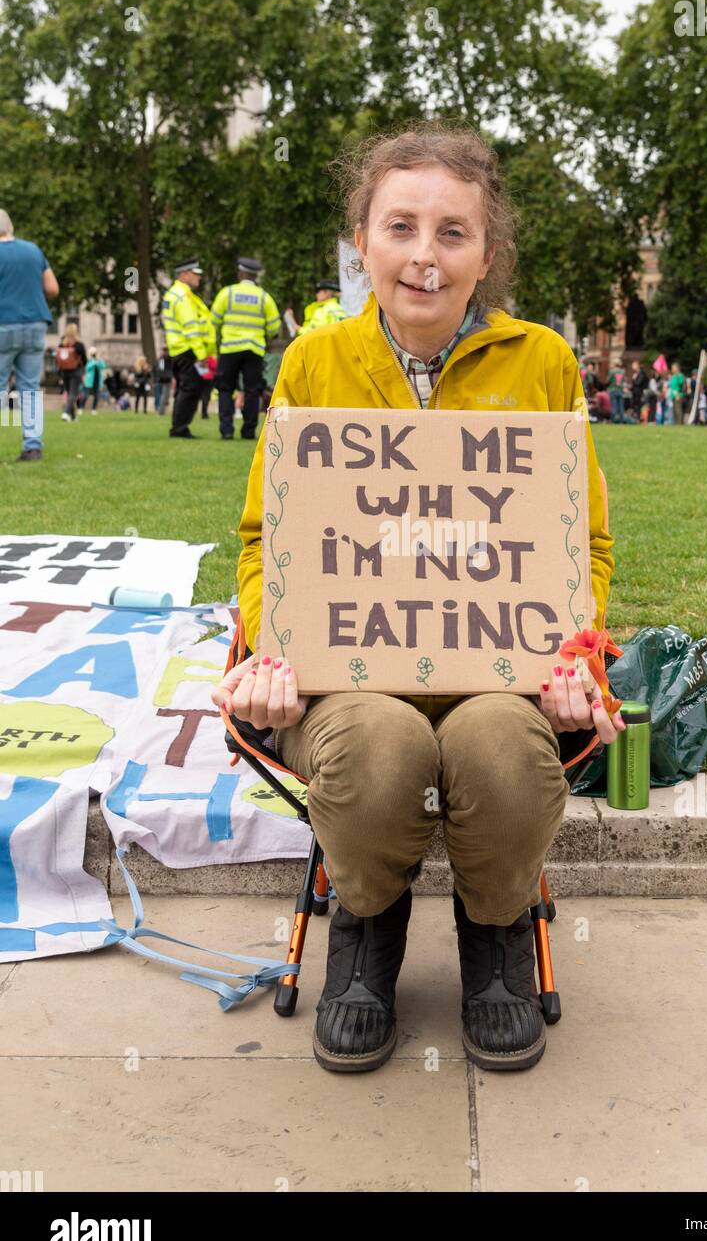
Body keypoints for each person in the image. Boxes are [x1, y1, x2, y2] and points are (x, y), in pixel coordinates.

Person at [213, 124, 623, 1076]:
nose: (424, 257)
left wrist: (575, 661)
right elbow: (265, 537)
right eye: (401, 227)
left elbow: (582, 543)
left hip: (502, 683)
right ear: (362, 240)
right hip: (349, 686)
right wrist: (274, 653)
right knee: (381, 746)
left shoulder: (546, 364)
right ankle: (364, 926)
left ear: (488, 253)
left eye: (452, 233)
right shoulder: (313, 363)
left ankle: (495, 931)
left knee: (501, 748)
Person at [0, 208, 58, 461]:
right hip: (35, 323)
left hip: (3, 323)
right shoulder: (33, 250)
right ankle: (33, 446)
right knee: (30, 388)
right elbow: (52, 288)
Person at [210, 258, 281, 441]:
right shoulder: (264, 297)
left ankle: (226, 430)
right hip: (254, 350)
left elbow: (214, 320)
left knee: (225, 389)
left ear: (240, 274)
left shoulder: (228, 293)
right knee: (252, 390)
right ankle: (248, 431)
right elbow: (274, 326)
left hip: (229, 349)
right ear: (255, 276)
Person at [160, 259, 215, 439]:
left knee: (184, 389)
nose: (198, 277)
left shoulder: (174, 294)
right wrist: (201, 355)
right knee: (190, 389)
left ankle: (179, 426)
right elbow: (191, 328)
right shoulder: (183, 297)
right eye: (195, 273)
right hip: (188, 350)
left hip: (178, 349)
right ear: (184, 274)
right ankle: (180, 428)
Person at [56, 322, 86, 422]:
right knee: (73, 394)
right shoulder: (78, 345)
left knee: (70, 394)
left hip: (64, 372)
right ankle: (66, 412)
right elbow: (84, 359)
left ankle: (73, 417)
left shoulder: (62, 344)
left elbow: (58, 359)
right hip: (75, 371)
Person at [82, 348, 107, 413]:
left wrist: (98, 360)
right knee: (85, 395)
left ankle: (94, 409)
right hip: (89, 380)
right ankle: (81, 408)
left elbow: (103, 366)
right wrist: (93, 362)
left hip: (97, 380)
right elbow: (87, 368)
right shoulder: (88, 360)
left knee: (97, 395)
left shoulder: (99, 360)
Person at [154, 348, 172, 415]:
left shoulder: (161, 359)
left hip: (161, 379)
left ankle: (161, 410)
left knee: (163, 395)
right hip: (166, 379)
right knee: (164, 395)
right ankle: (161, 411)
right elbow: (161, 369)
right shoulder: (166, 358)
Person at [608, 357, 625, 423]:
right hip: (620, 390)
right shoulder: (622, 371)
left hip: (613, 389)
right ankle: (622, 420)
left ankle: (612, 420)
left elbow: (608, 380)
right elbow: (623, 381)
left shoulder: (611, 371)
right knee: (621, 406)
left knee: (614, 406)